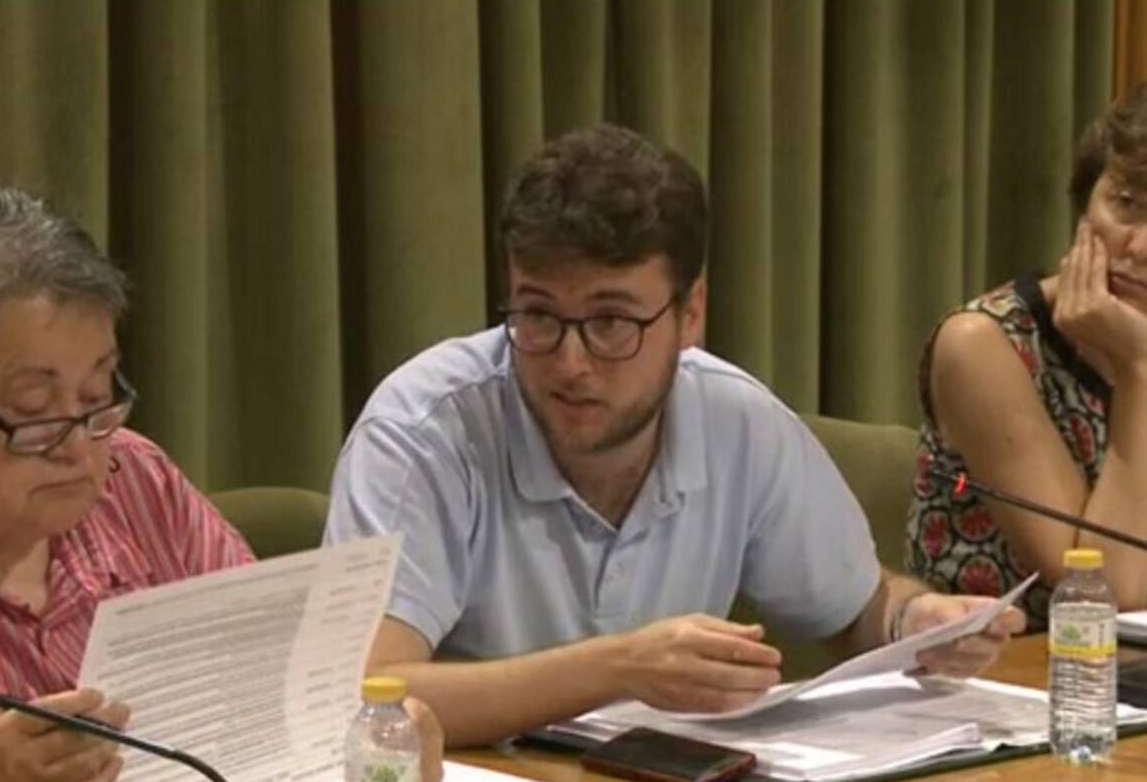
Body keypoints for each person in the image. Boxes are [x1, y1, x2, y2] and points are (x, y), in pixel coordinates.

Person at [325, 123, 1027, 749]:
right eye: (538, 316)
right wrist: (621, 667)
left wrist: (916, 621)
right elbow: (364, 695)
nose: (570, 362)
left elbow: (858, 610)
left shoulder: (736, 420)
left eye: (611, 323)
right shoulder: (423, 431)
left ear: (690, 314)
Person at [0, 180, 443, 782]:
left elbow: (278, 689)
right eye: (33, 412)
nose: (79, 446)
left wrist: (369, 734)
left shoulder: (135, 483)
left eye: (95, 395)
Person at [907, 84, 1147, 632]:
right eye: (1127, 204)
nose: (1138, 247)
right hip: (1002, 668)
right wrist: (1138, 371)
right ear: (1085, 202)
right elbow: (1105, 593)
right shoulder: (983, 344)